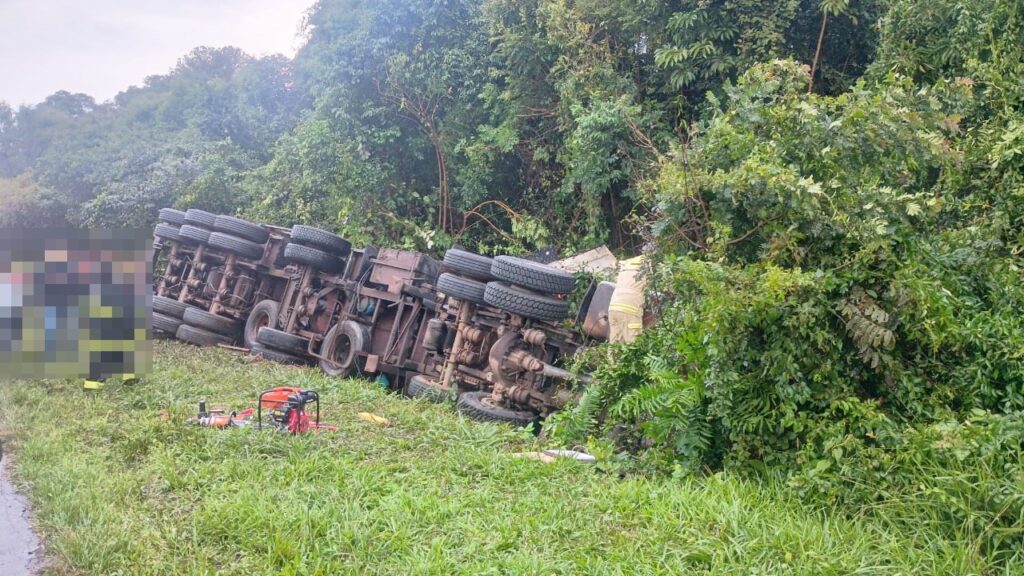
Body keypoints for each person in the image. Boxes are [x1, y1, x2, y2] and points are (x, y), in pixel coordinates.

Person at [607, 253, 648, 343]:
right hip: (630, 310)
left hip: (613, 307)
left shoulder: (627, 264)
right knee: (633, 345)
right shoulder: (649, 265)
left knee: (615, 344)